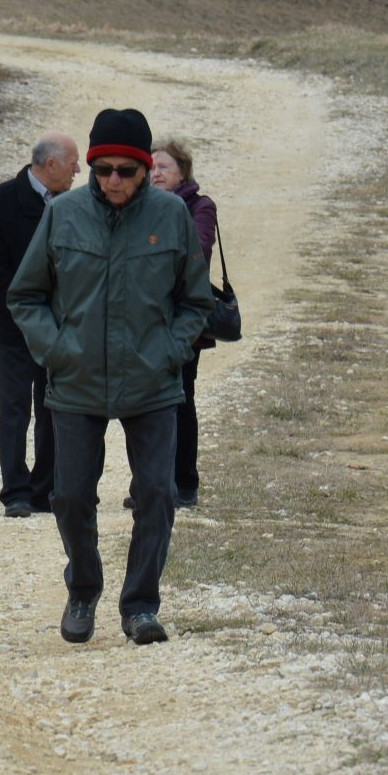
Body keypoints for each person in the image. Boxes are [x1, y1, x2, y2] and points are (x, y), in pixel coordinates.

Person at [9, 108, 212, 646]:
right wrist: (58, 350)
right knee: (71, 495)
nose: (113, 180)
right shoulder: (63, 214)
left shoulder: (172, 216)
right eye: (103, 170)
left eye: (126, 170)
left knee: (158, 494)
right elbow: (25, 295)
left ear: (145, 169)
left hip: (152, 383)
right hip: (76, 381)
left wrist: (169, 351)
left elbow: (196, 301)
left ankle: (141, 606)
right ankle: (83, 588)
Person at [0, 131, 80, 517]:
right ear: (51, 164)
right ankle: (15, 491)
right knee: (15, 408)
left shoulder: (73, 205)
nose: (78, 170)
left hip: (57, 327)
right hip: (12, 328)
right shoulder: (1, 201)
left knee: (53, 406)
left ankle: (45, 489)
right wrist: (27, 297)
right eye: (72, 163)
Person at [151, 138, 218, 509]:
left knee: (181, 398)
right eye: (150, 168)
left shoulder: (199, 206)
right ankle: (150, 482)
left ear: (182, 173)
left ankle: (185, 482)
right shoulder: (138, 204)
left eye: (164, 167)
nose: (155, 174)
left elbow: (199, 251)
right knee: (145, 404)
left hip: (184, 319)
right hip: (145, 317)